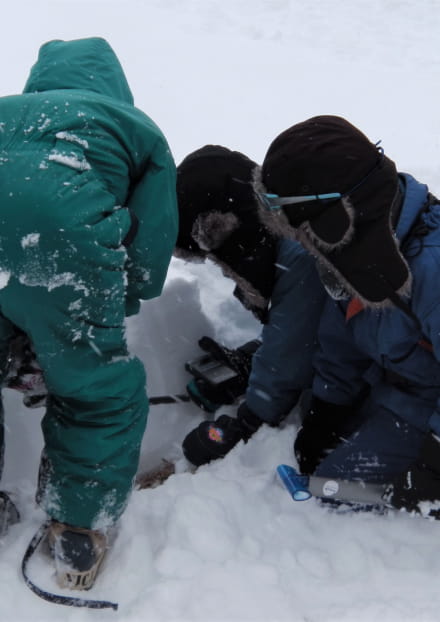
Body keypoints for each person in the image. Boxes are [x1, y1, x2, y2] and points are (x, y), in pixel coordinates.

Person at [0, 37, 177, 590]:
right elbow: (148, 254)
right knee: (97, 391)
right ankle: (79, 532)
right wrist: (100, 317)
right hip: (63, 224)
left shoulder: (7, 111)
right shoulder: (134, 126)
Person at [256, 114, 440, 518]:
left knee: (338, 487)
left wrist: (432, 460)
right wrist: (328, 409)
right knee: (315, 424)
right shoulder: (354, 251)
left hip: (426, 402)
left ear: (341, 212)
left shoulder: (430, 267)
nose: (305, 242)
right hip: (397, 383)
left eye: (306, 229)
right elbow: (340, 335)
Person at [175, 145, 326, 466]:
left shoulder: (298, 257)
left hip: (404, 380)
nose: (223, 266)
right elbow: (304, 327)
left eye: (217, 255)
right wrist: (254, 357)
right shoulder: (282, 228)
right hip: (378, 356)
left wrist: (247, 422)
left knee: (322, 419)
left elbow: (295, 343)